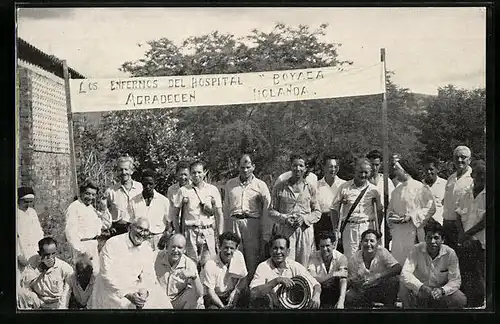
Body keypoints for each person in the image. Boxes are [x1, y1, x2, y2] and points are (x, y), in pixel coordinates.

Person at [90, 217, 172, 309]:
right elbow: (107, 275)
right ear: (130, 228)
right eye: (139, 228)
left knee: (162, 300)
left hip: (134, 287)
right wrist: (127, 294)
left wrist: (145, 291)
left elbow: (149, 275)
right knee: (127, 306)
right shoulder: (113, 243)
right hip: (111, 289)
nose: (142, 233)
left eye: (146, 231)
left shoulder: (147, 249)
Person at [223, 154, 271, 278]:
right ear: (238, 167)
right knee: (234, 258)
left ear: (253, 167)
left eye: (248, 167)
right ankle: (235, 293)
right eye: (242, 167)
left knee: (252, 259)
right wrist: (224, 231)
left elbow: (267, 209)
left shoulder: (261, 185)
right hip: (234, 222)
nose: (245, 170)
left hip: (252, 224)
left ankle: (251, 292)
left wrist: (266, 233)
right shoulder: (230, 184)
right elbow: (226, 209)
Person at [269, 153, 322, 266]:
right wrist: (284, 218)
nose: (297, 168)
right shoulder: (280, 187)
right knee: (286, 262)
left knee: (305, 263)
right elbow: (271, 211)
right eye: (294, 165)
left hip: (304, 230)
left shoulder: (310, 188)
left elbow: (317, 212)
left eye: (301, 166)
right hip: (286, 230)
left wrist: (305, 219)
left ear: (305, 168)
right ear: (290, 167)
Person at [399, 222, 466, 309]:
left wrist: (442, 291)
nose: (432, 241)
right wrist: (421, 287)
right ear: (425, 238)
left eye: (436, 238)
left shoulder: (450, 253)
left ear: (442, 240)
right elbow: (405, 274)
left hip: (439, 292)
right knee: (403, 287)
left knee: (460, 299)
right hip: (420, 290)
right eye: (429, 238)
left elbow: (455, 280)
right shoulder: (415, 249)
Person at [170, 160, 223, 266]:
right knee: (191, 264)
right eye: (193, 173)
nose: (196, 175)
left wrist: (220, 235)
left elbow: (219, 214)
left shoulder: (212, 190)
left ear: (204, 173)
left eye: (199, 172)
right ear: (190, 174)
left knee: (209, 264)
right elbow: (175, 215)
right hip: (190, 232)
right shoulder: (184, 190)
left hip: (207, 232)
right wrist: (179, 233)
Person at [330, 159, 382, 261]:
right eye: (360, 172)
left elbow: (380, 210)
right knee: (351, 258)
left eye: (366, 172)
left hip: (367, 226)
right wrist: (336, 228)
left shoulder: (374, 190)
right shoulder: (344, 187)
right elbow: (334, 209)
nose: (363, 175)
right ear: (355, 171)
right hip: (350, 228)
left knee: (368, 256)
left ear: (370, 172)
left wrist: (378, 229)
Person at [249, 235, 321, 309]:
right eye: (275, 248)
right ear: (270, 251)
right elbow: (253, 293)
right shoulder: (263, 266)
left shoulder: (295, 265)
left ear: (288, 251)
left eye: (282, 248)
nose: (278, 252)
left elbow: (316, 285)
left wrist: (316, 296)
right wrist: (276, 280)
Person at [387, 159, 436, 265]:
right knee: (398, 263)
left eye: (397, 169)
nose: (395, 172)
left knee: (414, 263)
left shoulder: (420, 188)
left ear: (404, 171)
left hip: (413, 232)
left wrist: (412, 216)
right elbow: (390, 209)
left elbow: (430, 208)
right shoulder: (396, 190)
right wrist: (391, 216)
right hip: (398, 234)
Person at [455, 159, 486, 307]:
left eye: (483, 174)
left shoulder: (489, 193)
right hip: (466, 242)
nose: (480, 177)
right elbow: (458, 215)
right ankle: (470, 303)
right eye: (477, 173)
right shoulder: (466, 193)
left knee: (481, 274)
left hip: (482, 242)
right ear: (472, 174)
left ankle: (483, 304)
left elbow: (487, 220)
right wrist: (462, 235)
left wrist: (467, 234)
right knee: (466, 273)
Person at [65, 180, 112, 274]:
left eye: (93, 195)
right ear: (81, 193)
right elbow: (70, 232)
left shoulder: (91, 208)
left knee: (95, 276)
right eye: (87, 194)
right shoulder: (74, 208)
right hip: (82, 248)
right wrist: (81, 250)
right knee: (84, 277)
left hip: (93, 246)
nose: (91, 197)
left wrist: (104, 208)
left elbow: (106, 224)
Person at [345, 229, 401, 308]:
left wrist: (377, 276)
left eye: (372, 241)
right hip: (364, 290)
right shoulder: (354, 258)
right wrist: (359, 283)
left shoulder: (382, 252)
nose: (368, 244)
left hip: (381, 287)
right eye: (365, 241)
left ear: (377, 243)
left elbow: (398, 268)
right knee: (349, 296)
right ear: (361, 242)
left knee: (394, 280)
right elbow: (351, 281)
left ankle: (389, 309)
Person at [17, 237, 74, 309]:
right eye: (47, 254)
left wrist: (60, 311)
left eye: (53, 254)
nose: (50, 257)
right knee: (21, 293)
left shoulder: (65, 268)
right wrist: (38, 270)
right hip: (39, 301)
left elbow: (66, 294)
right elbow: (25, 284)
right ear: (40, 254)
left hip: (56, 304)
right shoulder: (34, 261)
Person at [154, 234, 204, 309]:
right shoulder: (155, 257)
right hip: (158, 299)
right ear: (167, 247)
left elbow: (200, 293)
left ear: (184, 250)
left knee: (197, 299)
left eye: (179, 248)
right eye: (173, 247)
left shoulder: (189, 263)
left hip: (177, 301)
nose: (176, 250)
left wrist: (194, 276)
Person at [201, 232, 249, 309]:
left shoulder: (239, 255)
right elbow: (210, 292)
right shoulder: (210, 264)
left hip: (230, 295)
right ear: (219, 247)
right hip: (214, 297)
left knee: (246, 294)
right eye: (226, 247)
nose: (228, 251)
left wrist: (236, 292)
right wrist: (223, 307)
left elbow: (244, 278)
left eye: (232, 248)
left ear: (236, 248)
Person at [442, 146, 473, 251]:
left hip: (463, 226)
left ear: (470, 160)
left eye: (463, 157)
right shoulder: (451, 178)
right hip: (447, 225)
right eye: (456, 157)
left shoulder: (473, 178)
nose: (459, 160)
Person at [131, 169, 171, 251]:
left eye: (150, 184)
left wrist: (165, 237)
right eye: (145, 184)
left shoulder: (163, 201)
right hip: (139, 239)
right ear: (141, 183)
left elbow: (170, 226)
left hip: (158, 241)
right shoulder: (133, 201)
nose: (147, 187)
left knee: (157, 263)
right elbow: (130, 224)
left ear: (155, 184)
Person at [103, 155, 143, 237]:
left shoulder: (140, 188)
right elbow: (103, 210)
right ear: (117, 172)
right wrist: (109, 226)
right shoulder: (111, 191)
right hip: (118, 232)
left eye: (126, 169)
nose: (123, 172)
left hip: (138, 231)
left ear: (131, 171)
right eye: (120, 170)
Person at [307, 232, 348, 309]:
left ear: (333, 245)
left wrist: (341, 301)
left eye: (327, 246)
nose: (325, 249)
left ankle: (340, 303)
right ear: (319, 246)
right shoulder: (313, 256)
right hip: (319, 289)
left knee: (343, 280)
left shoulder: (341, 257)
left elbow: (343, 279)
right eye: (322, 246)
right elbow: (312, 278)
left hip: (335, 289)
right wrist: (332, 274)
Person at [315, 154, 346, 249]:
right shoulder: (316, 185)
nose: (333, 169)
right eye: (330, 167)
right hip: (322, 223)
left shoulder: (344, 185)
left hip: (339, 223)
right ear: (324, 167)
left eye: (335, 167)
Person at [17, 186, 44, 263]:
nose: (28, 204)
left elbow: (39, 232)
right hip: (22, 254)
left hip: (35, 252)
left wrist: (41, 251)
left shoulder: (32, 212)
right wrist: (18, 255)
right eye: (26, 201)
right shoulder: (16, 213)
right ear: (19, 200)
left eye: (30, 201)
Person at [167, 161, 191, 235]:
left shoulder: (193, 189)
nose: (183, 177)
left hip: (190, 227)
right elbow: (170, 211)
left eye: (185, 174)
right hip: (176, 226)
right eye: (181, 174)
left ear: (189, 175)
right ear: (176, 175)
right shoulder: (171, 190)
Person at [422, 159, 447, 225]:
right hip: (422, 225)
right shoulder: (419, 185)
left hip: (440, 225)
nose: (428, 172)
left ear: (437, 169)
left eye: (431, 169)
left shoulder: (445, 184)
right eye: (426, 169)